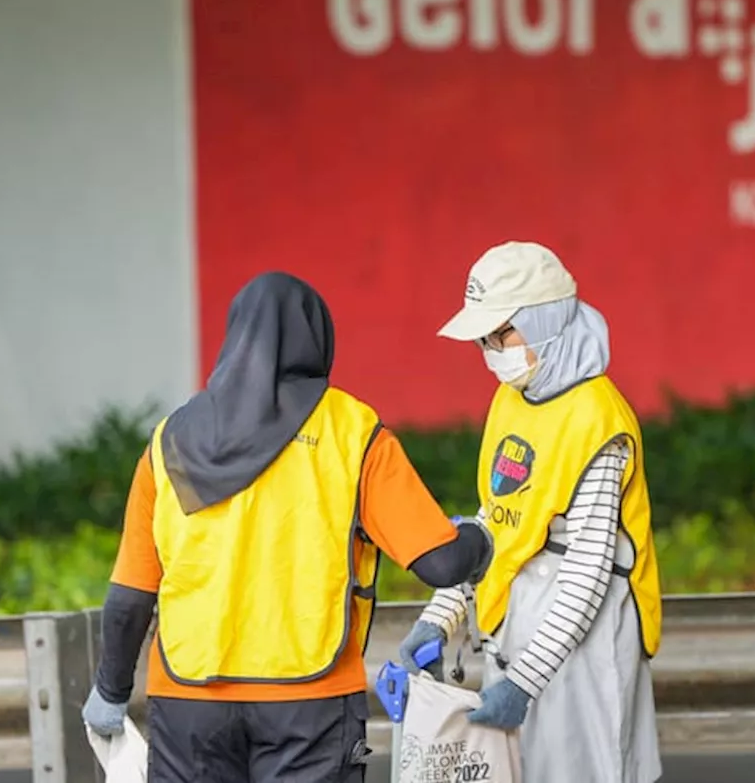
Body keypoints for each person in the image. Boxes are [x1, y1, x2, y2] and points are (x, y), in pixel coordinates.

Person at [80, 271, 493, 782]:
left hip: (189, 704)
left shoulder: (169, 442)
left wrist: (111, 692)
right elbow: (443, 562)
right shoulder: (352, 432)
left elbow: (130, 595)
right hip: (312, 704)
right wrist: (483, 538)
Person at [398, 240, 663, 783]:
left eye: (504, 333)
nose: (494, 350)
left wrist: (526, 679)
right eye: (485, 339)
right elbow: (496, 521)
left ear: (546, 321)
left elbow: (587, 574)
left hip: (583, 644)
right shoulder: (514, 396)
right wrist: (440, 616)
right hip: (521, 622)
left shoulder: (598, 421)